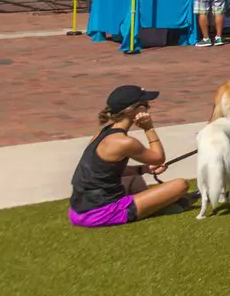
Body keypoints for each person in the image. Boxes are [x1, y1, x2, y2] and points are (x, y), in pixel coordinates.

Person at [68, 85, 188, 226]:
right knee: (181, 185)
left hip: (78, 211)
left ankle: (153, 202)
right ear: (133, 109)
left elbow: (104, 172)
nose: (148, 107)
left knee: (135, 178)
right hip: (99, 213)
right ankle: (155, 207)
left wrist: (143, 169)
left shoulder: (102, 133)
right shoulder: (124, 142)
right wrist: (148, 128)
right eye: (145, 104)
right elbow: (159, 157)